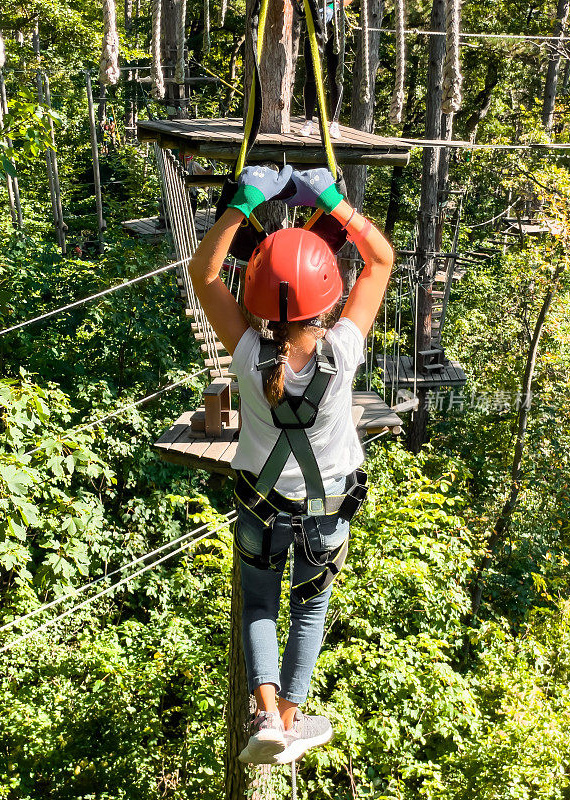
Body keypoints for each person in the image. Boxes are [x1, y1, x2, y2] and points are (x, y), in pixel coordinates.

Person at [188, 165, 394, 764]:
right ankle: (290, 718)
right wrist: (334, 201)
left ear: (254, 298)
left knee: (259, 604)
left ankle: (265, 713)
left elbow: (203, 273)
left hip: (258, 503)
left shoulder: (247, 349)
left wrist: (242, 204)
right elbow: (379, 260)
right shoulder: (344, 349)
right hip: (326, 510)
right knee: (308, 605)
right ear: (328, 298)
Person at [301, 0, 355, 140]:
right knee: (311, 75)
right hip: (314, 22)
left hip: (335, 25)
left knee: (335, 76)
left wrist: (334, 6)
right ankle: (308, 122)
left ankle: (334, 123)